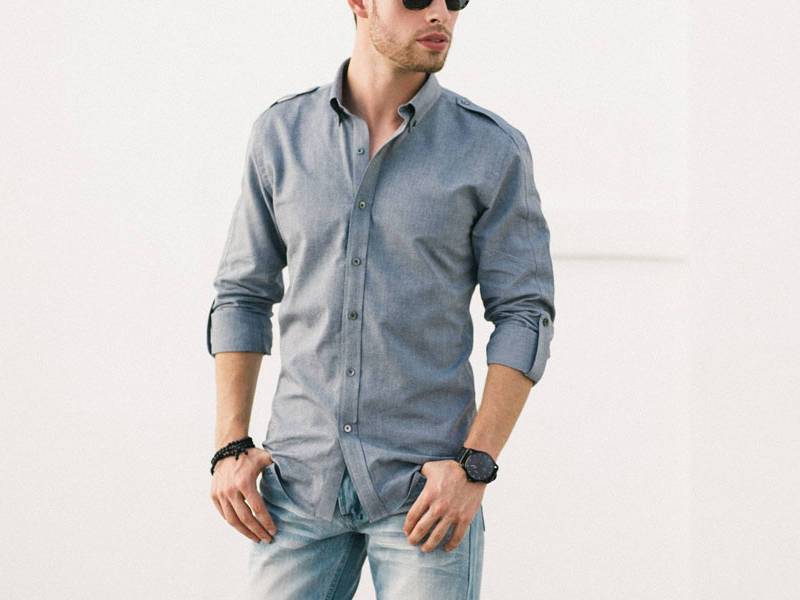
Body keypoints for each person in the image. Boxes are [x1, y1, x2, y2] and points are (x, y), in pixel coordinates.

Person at [206, 0, 555, 597]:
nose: (440, 13)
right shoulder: (281, 134)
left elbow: (525, 314)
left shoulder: (492, 149)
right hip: (296, 485)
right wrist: (229, 444)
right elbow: (242, 293)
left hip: (426, 494)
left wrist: (475, 467)